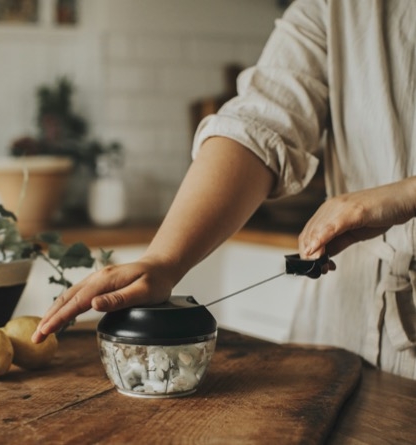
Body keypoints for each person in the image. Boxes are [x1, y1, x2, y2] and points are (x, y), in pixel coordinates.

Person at [32, 0, 416, 379]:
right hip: (344, 326)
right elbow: (260, 124)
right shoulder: (334, 6)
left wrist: (407, 193)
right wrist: (164, 260)